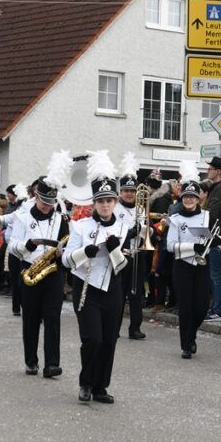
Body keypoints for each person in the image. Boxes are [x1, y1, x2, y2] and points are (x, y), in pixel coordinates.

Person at [62, 156, 131, 403]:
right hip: (86, 288)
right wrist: (85, 252)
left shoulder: (122, 227)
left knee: (109, 340)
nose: (105, 205)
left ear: (115, 202)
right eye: (101, 201)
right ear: (94, 203)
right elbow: (66, 260)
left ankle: (101, 387)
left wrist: (113, 250)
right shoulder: (80, 226)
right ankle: (86, 383)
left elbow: (122, 267)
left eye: (109, 200)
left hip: (112, 288)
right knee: (92, 339)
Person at [11, 178, 68, 377]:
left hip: (53, 271)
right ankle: (31, 361)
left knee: (52, 318)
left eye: (51, 203)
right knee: (31, 318)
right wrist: (26, 246)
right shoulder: (22, 217)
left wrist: (63, 252)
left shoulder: (60, 219)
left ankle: (52, 364)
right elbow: (12, 246)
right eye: (44, 202)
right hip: (30, 269)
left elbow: (67, 242)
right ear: (36, 197)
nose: (47, 207)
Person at [167, 163, 217, 359]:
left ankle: (192, 333)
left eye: (193, 197)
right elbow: (170, 246)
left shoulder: (207, 216)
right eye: (186, 196)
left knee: (202, 306)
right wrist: (192, 247)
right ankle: (186, 345)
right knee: (186, 307)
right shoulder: (176, 219)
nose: (189, 199)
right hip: (182, 265)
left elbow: (216, 237)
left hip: (201, 265)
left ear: (198, 199)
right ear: (182, 198)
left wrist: (217, 241)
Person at [114, 155, 148, 340]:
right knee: (118, 294)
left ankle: (135, 327)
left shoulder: (140, 209)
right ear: (120, 192)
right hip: (120, 255)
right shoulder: (114, 209)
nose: (129, 194)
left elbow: (145, 231)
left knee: (136, 293)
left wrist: (143, 232)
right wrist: (129, 233)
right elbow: (113, 232)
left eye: (132, 191)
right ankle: (114, 328)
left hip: (137, 254)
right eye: (126, 190)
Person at [203, 156, 221, 321]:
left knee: (215, 275)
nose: (208, 171)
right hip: (212, 237)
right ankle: (213, 307)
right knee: (212, 275)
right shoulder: (217, 187)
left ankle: (218, 310)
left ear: (218, 171)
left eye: (210, 169)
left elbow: (211, 213)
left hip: (216, 238)